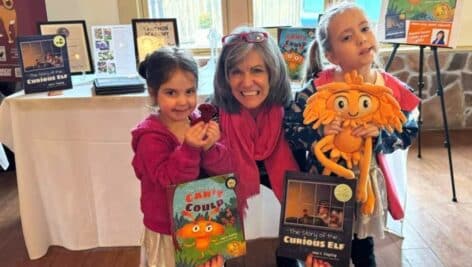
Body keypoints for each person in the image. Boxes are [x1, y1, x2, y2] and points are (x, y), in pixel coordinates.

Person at [284, 3, 420, 267]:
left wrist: (381, 135)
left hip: (364, 189)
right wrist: (318, 131)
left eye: (365, 28)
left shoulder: (390, 88)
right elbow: (289, 128)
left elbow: (410, 129)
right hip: (323, 187)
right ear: (332, 56)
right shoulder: (317, 89)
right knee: (323, 256)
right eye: (347, 37)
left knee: (363, 250)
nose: (361, 38)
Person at [131, 47, 231, 267]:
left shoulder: (198, 121)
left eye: (189, 91)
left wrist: (211, 147)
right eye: (171, 93)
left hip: (204, 219)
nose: (182, 101)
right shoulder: (150, 137)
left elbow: (223, 171)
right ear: (153, 92)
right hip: (167, 229)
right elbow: (169, 180)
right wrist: (189, 148)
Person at [212, 26, 300, 266]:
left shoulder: (293, 115)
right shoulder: (211, 117)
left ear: (273, 73)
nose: (247, 82)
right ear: (225, 76)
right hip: (227, 235)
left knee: (291, 225)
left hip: (287, 230)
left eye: (257, 70)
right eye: (236, 72)